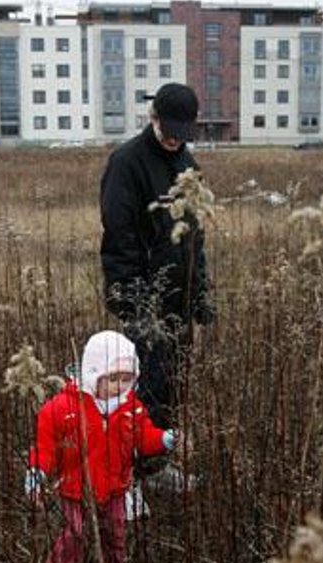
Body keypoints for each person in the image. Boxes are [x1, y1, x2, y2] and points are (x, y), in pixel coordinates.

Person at [99, 82, 214, 433]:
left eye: (182, 133)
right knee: (145, 386)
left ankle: (161, 457)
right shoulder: (126, 163)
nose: (174, 140)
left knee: (175, 383)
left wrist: (200, 292)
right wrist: (132, 299)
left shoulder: (187, 164)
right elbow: (120, 237)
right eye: (169, 131)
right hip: (145, 299)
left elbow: (196, 237)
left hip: (179, 301)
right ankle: (138, 467)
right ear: (153, 118)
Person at [26, 330, 179, 563]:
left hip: (115, 488)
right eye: (113, 379)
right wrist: (37, 471)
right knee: (74, 533)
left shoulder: (131, 406)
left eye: (127, 379)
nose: (120, 386)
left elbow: (142, 436)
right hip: (74, 489)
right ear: (93, 374)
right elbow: (46, 445)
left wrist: (163, 439)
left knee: (116, 533)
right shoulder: (63, 408)